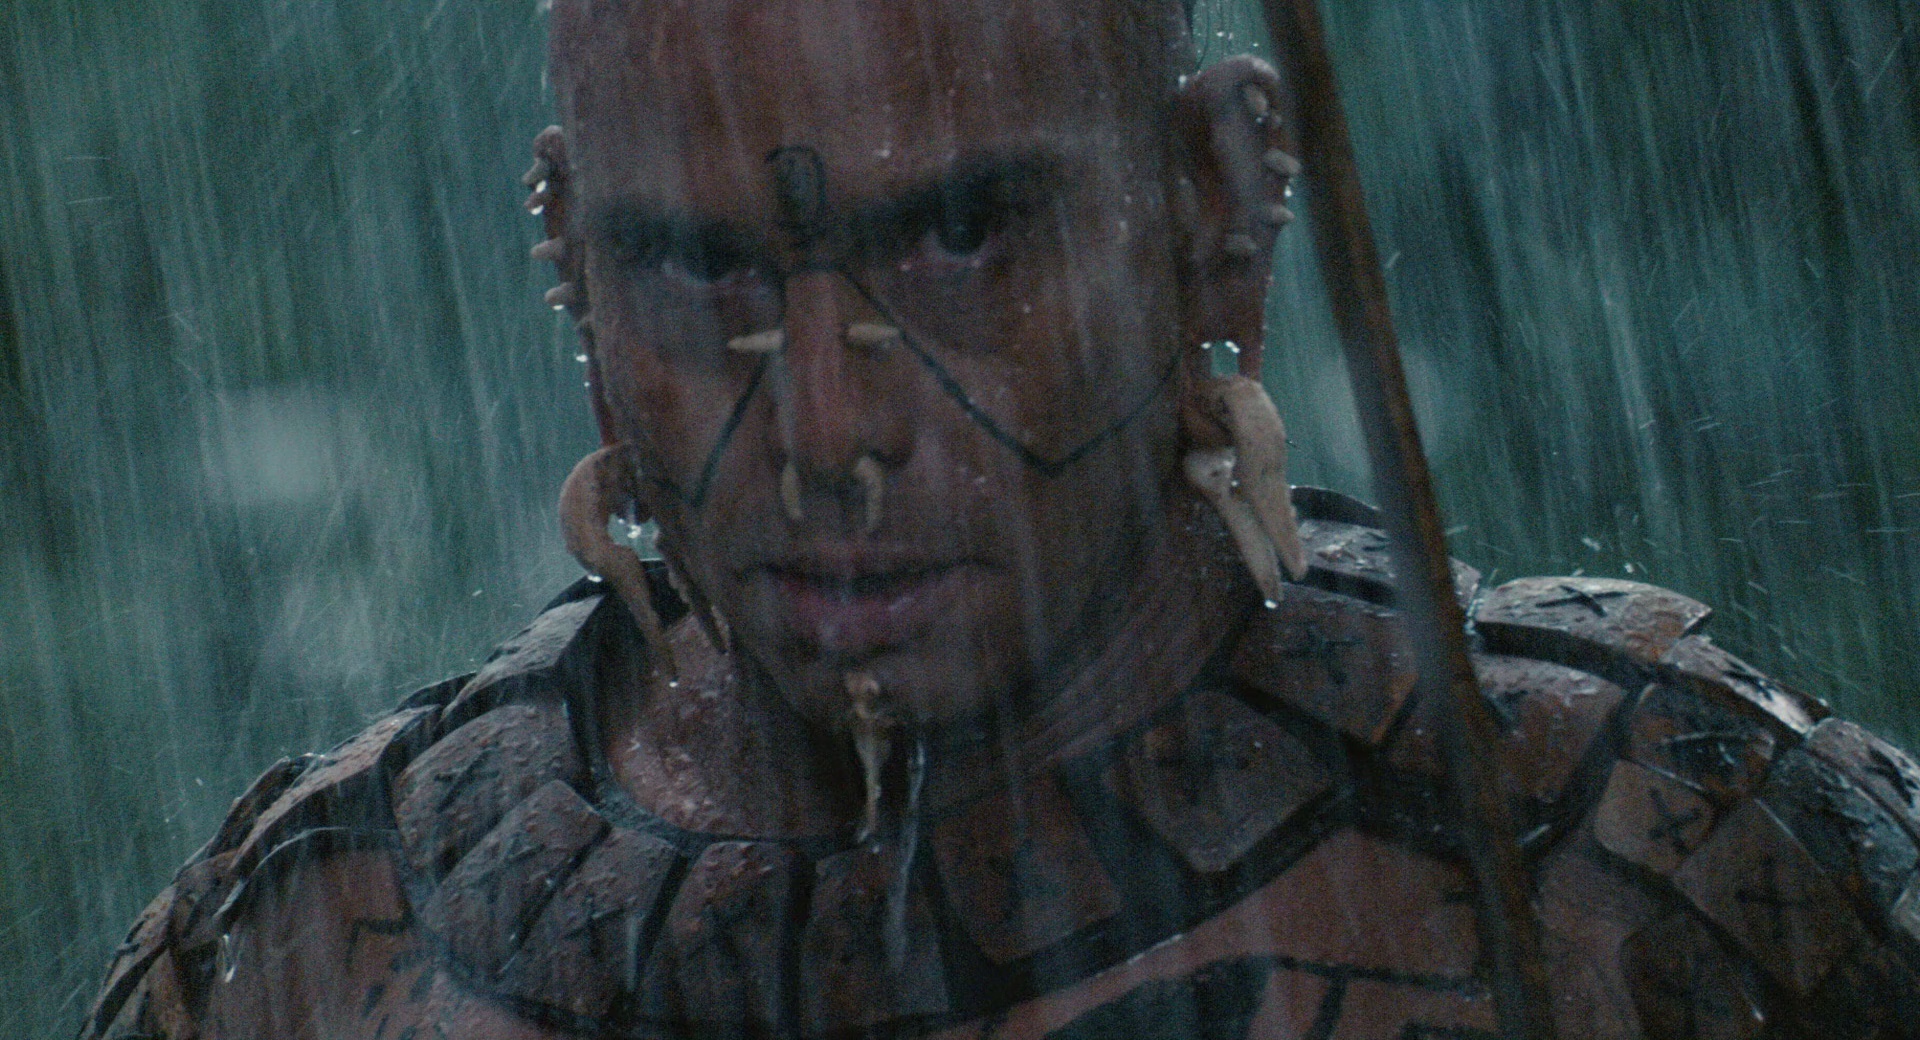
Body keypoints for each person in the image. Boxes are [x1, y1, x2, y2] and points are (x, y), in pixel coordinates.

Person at [80, 0, 1920, 1036]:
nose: (829, 430)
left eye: (964, 236)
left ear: (1212, 206)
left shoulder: (1633, 855)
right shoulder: (312, 949)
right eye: (703, 269)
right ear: (573, 264)